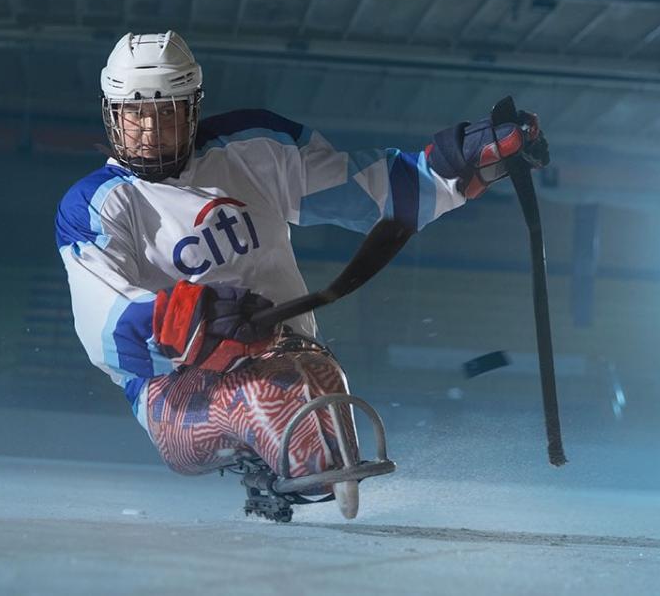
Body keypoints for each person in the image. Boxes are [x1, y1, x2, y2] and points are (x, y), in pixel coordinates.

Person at [56, 31, 549, 519]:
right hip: (177, 387)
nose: (147, 129)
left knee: (315, 382)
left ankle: (298, 466)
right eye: (133, 112)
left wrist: (464, 165)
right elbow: (102, 324)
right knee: (263, 400)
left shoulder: (253, 147)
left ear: (191, 109)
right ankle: (281, 455)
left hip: (285, 352)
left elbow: (369, 192)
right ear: (112, 112)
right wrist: (190, 318)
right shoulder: (95, 207)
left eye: (164, 113)